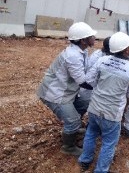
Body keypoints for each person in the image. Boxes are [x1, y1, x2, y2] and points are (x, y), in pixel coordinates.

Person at [78, 32, 129, 173]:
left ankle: (85, 160)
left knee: (91, 134)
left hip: (94, 108)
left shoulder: (102, 60)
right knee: (109, 143)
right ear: (125, 50)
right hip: (111, 114)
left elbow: (90, 80)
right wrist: (123, 106)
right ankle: (101, 170)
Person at [36, 22, 97, 156]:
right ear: (83, 40)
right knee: (74, 121)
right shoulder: (73, 56)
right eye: (92, 36)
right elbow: (82, 81)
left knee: (85, 102)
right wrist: (100, 87)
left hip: (66, 91)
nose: (94, 38)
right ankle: (68, 147)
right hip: (55, 93)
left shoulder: (82, 51)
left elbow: (86, 72)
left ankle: (72, 126)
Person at [74, 37, 111, 117]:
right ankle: (75, 124)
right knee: (82, 106)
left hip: (96, 88)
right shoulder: (97, 58)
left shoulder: (105, 55)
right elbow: (89, 77)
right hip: (88, 89)